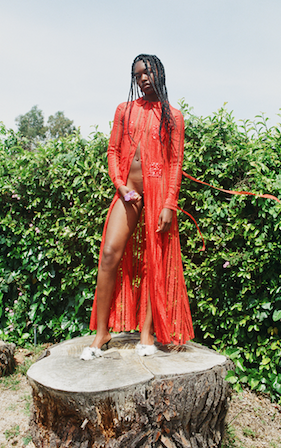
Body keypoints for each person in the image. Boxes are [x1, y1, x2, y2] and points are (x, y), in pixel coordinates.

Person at [80, 54, 194, 360]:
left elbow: (175, 164)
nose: (143, 78)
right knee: (109, 254)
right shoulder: (125, 109)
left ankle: (146, 333)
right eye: (137, 74)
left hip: (159, 192)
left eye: (148, 72)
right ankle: (101, 332)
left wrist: (169, 203)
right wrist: (120, 186)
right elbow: (113, 150)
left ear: (160, 72)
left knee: (155, 262)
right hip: (128, 191)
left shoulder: (173, 116)